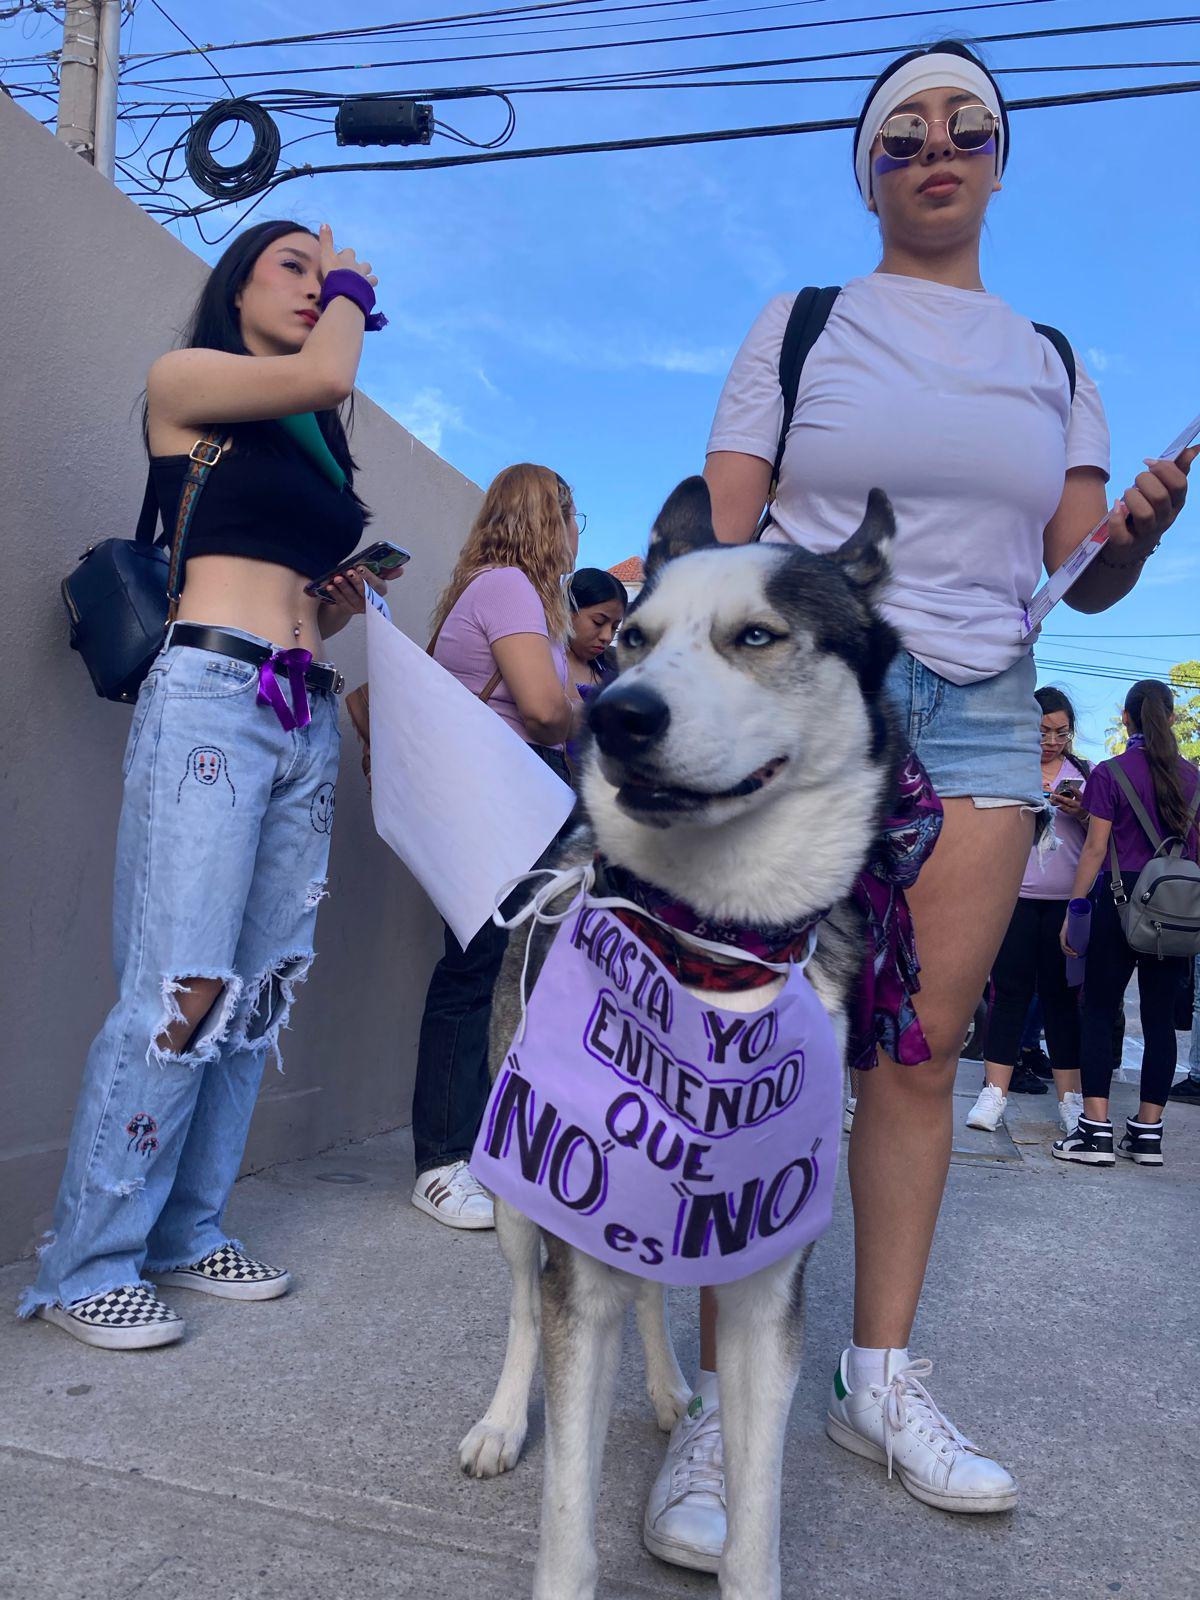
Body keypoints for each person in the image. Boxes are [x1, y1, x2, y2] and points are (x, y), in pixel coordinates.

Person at [642, 39, 1195, 1568]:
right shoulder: (803, 323)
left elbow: (1082, 575)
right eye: (902, 135)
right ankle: (723, 1395)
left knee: (917, 1056)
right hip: (817, 703)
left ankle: (873, 1380)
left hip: (992, 709)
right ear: (870, 169)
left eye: (965, 129)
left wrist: (1143, 529)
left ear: (1001, 161)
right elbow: (725, 539)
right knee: (758, 1045)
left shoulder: (1053, 356)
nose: (935, 148)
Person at [21, 220, 384, 1349]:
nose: (319, 288)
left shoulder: (319, 437)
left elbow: (301, 547)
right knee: (180, 981)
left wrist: (337, 601)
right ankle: (90, 1263)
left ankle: (187, 1228)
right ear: (235, 289)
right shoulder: (187, 380)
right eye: (298, 270)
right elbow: (327, 364)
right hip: (213, 698)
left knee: (259, 987)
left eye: (326, 278)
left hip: (301, 709)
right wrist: (358, 288)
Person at [410, 465, 581, 1229]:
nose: (578, 536)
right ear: (552, 518)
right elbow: (547, 712)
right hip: (501, 791)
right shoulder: (511, 586)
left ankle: (474, 1148)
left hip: (494, 793)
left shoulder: (483, 587)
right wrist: (573, 703)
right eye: (572, 517)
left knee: (496, 971)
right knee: (477, 971)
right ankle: (442, 1161)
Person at [1055, 680, 1200, 1168]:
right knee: (1161, 1023)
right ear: (1172, 718)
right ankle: (1147, 1134)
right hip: (1177, 910)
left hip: (1118, 903)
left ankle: (1095, 1132)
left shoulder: (1111, 773)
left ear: (1126, 719)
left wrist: (1075, 909)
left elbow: (1095, 849)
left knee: (1098, 1010)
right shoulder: (1194, 778)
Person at [968, 688, 1088, 1135]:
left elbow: (1102, 839)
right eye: (1042, 731)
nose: (1051, 740)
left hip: (1066, 907)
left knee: (1061, 1000)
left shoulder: (1085, 774)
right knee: (1007, 995)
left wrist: (1083, 811)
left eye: (1060, 731)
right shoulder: (1008, 769)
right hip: (1012, 899)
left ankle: (1070, 1100)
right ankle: (993, 1093)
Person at [565, 566, 627, 696]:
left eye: (615, 627)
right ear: (568, 610)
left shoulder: (616, 668)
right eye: (598, 622)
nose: (607, 637)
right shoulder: (545, 664)